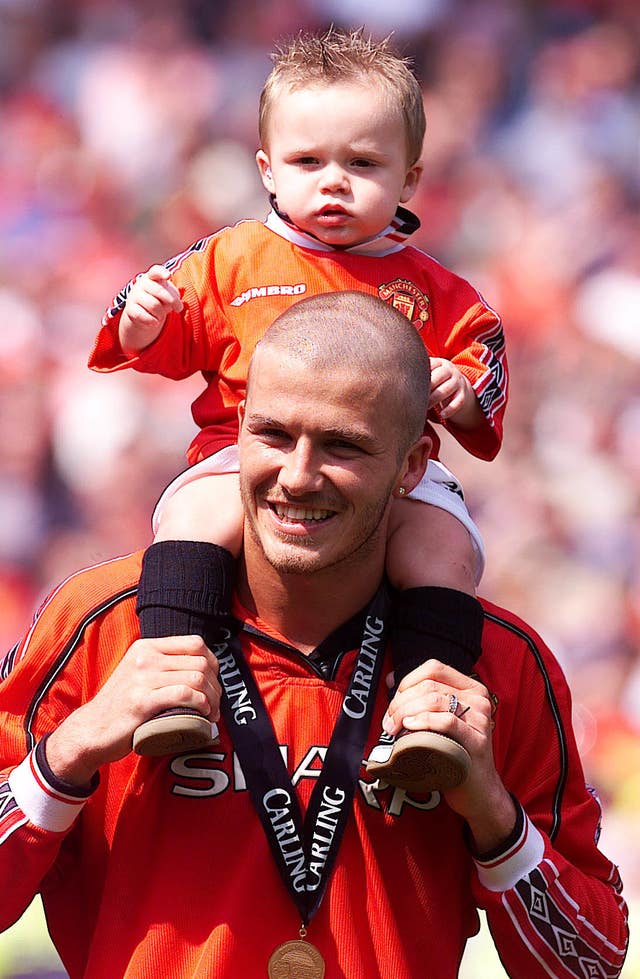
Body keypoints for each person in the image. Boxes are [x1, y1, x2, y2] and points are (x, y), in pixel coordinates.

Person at [0, 293, 628, 978]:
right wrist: (71, 749)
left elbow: (591, 965)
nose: (297, 476)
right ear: (236, 429)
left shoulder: (496, 665)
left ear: (414, 463)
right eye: (273, 434)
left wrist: (491, 812)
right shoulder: (103, 623)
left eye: (343, 444)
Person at [88, 27, 508, 791]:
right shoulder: (231, 257)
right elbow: (153, 340)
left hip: (393, 479)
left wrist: (462, 391)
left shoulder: (443, 292)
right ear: (267, 169)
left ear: (409, 178)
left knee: (443, 552)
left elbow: (486, 373)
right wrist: (141, 318)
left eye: (364, 164)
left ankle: (426, 715)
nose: (335, 183)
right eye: (308, 162)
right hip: (240, 458)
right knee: (193, 520)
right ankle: (174, 683)